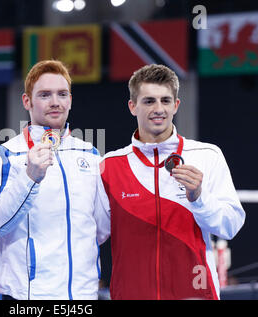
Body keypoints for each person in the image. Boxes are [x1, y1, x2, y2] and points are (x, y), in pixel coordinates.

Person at [98, 64, 245, 300]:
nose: (158, 109)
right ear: (132, 106)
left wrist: (199, 198)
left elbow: (231, 226)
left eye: (165, 101)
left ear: (176, 105)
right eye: (149, 101)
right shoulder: (109, 166)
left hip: (195, 294)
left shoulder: (207, 155)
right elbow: (91, 234)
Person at [0, 60, 109, 300]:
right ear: (27, 101)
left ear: (70, 100)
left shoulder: (90, 155)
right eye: (44, 95)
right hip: (29, 296)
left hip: (83, 295)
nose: (55, 102)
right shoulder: (8, 155)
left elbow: (99, 228)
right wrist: (29, 177)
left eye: (62, 94)